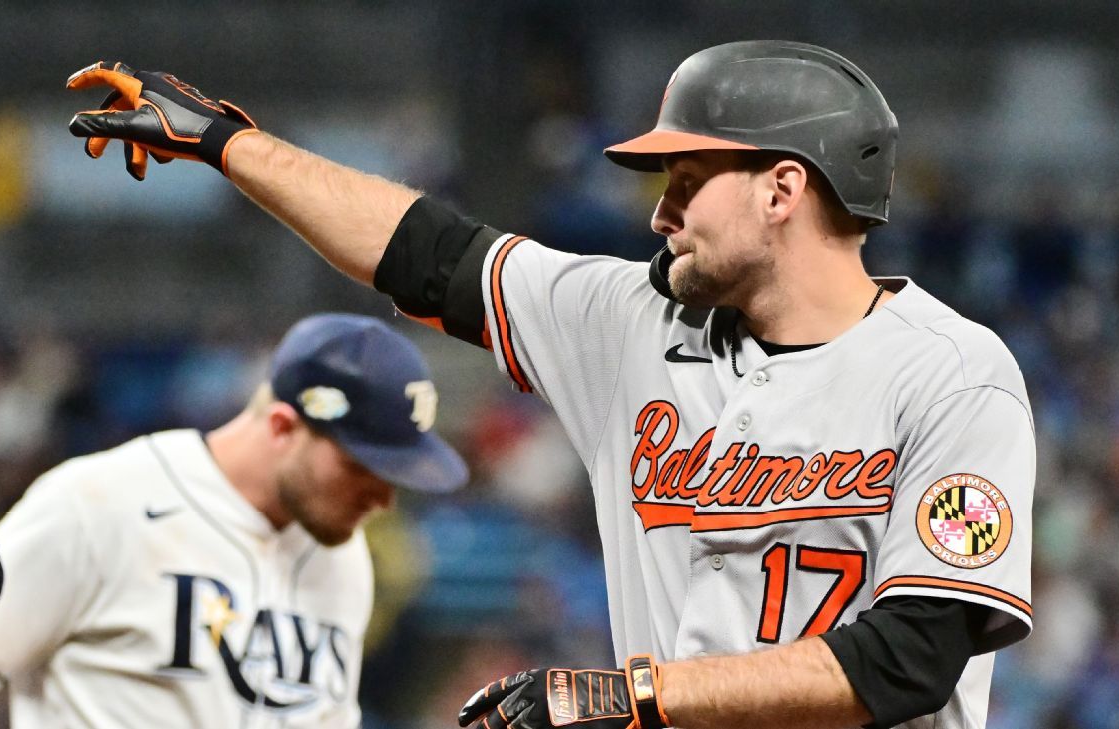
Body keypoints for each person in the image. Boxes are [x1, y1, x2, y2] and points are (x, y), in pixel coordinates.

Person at [65, 40, 1034, 729]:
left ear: (782, 191)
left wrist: (635, 697)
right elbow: (427, 254)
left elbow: (912, 657)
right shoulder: (633, 322)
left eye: (686, 180)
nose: (660, 214)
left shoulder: (951, 376)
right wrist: (227, 145)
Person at [0, 313, 467, 728]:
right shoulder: (97, 503)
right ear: (282, 426)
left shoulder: (343, 558)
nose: (383, 498)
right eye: (361, 466)